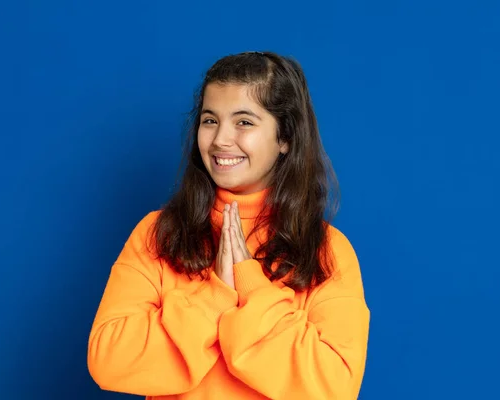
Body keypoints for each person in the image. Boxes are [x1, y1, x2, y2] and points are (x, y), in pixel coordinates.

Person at [87, 51, 370, 400]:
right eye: (210, 120)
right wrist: (215, 295)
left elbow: (334, 387)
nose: (220, 139)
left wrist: (252, 290)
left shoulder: (326, 249)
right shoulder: (157, 233)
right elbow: (109, 361)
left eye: (244, 122)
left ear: (286, 138)